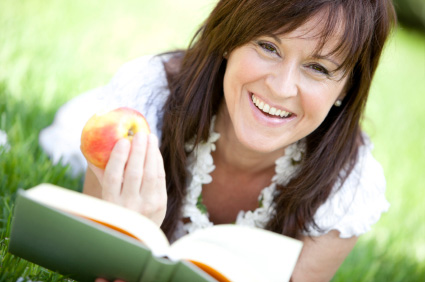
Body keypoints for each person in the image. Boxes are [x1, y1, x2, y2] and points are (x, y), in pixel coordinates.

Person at [39, 0, 397, 281]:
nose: (282, 87)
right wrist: (129, 234)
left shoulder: (349, 189)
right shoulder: (145, 102)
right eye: (268, 46)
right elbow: (91, 263)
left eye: (318, 68)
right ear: (230, 39)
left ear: (346, 89)